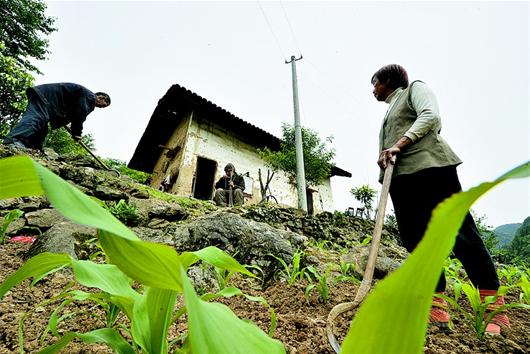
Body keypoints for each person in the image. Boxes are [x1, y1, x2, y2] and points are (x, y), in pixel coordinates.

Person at [371, 64, 508, 335]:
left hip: (432, 170)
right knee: (417, 241)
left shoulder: (414, 89)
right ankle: (437, 307)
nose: (372, 90)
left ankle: (494, 307)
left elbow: (431, 116)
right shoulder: (389, 109)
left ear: (388, 80)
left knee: (460, 233)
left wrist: (399, 143)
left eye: (375, 83)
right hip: (401, 179)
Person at [2, 83, 111, 150]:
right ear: (100, 98)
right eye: (102, 106)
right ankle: (12, 141)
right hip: (45, 98)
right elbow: (80, 115)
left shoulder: (82, 96)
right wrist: (77, 133)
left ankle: (32, 147)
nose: (100, 108)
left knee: (42, 128)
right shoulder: (90, 97)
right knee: (36, 119)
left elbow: (71, 111)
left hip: (47, 101)